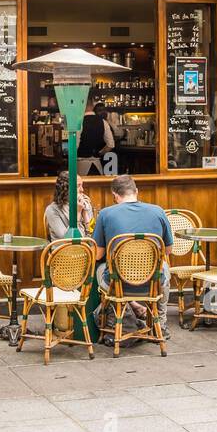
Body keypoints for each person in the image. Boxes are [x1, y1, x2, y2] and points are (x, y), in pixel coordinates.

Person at [91, 175, 173, 340]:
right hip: (152, 283)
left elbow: (98, 254)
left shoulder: (105, 214)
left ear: (115, 195)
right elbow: (168, 250)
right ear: (136, 191)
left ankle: (119, 320)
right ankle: (160, 325)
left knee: (101, 269)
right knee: (164, 267)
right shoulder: (158, 211)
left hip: (118, 284)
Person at [44, 170, 94, 240]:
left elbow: (93, 234)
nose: (82, 190)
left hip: (85, 248)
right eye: (78, 186)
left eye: (82, 185)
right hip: (63, 249)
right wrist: (78, 213)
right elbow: (67, 238)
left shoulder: (84, 204)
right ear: (65, 189)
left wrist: (85, 214)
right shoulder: (52, 210)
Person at [76, 103, 115, 176]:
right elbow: (111, 145)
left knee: (81, 186)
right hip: (97, 164)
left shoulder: (79, 122)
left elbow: (74, 146)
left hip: (81, 165)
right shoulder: (103, 121)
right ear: (93, 104)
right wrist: (99, 153)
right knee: (97, 186)